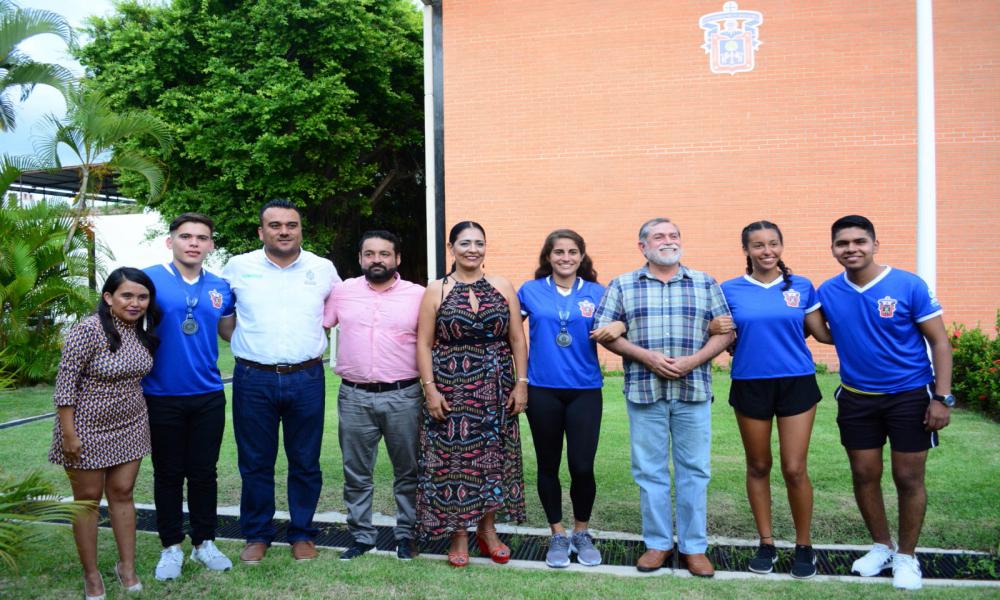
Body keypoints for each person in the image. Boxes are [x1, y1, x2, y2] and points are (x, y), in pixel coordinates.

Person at [817, 215, 952, 591]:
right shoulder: (828, 291)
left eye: (859, 241)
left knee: (908, 478)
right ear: (833, 249)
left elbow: (939, 342)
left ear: (875, 244)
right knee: (864, 474)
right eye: (842, 243)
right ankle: (881, 547)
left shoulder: (908, 284)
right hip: (858, 397)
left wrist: (941, 398)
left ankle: (907, 557)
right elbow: (824, 332)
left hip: (909, 395)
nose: (851, 249)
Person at [593, 217, 733, 577]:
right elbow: (603, 332)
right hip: (645, 391)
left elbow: (726, 331)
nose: (668, 241)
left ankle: (694, 547)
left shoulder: (705, 282)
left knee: (695, 471)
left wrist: (693, 361)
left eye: (673, 235)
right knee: (649, 471)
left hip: (693, 390)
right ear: (643, 246)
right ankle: (657, 543)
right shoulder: (622, 285)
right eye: (659, 236)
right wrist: (647, 357)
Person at [221, 198, 340, 564]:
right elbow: (224, 321)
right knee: (255, 461)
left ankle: (302, 533)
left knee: (305, 460)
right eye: (275, 225)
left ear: (300, 229)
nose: (284, 231)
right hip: (253, 378)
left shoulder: (323, 269)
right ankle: (257, 534)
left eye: (291, 225)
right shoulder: (238, 267)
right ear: (261, 232)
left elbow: (336, 313)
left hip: (306, 377)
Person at [719, 220, 831, 579]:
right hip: (751, 383)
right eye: (758, 245)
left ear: (781, 246)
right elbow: (719, 331)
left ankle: (803, 546)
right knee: (758, 466)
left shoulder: (802, 286)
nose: (767, 251)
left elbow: (821, 333)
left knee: (794, 468)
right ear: (746, 251)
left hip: (796, 382)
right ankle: (766, 543)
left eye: (773, 244)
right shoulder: (729, 290)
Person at [415, 221, 528, 567]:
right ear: (451, 248)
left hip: (496, 388)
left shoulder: (502, 285)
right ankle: (459, 533)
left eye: (479, 243)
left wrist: (521, 383)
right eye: (464, 243)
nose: (472, 249)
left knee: (493, 460)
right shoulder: (437, 289)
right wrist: (430, 390)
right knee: (455, 463)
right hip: (452, 387)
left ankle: (488, 531)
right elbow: (423, 342)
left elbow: (516, 339)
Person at [49, 267, 161, 600]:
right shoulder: (88, 329)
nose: (135, 302)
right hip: (85, 428)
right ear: (108, 297)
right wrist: (69, 435)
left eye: (142, 297)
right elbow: (65, 383)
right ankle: (92, 575)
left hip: (132, 424)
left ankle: (126, 567)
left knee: (123, 493)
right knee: (87, 502)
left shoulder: (141, 329)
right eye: (127, 295)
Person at [142, 213, 235, 580]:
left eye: (202, 237)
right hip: (160, 393)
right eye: (186, 236)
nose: (194, 243)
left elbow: (228, 332)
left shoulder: (221, 286)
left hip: (209, 393)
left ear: (211, 244)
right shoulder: (148, 278)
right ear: (171, 242)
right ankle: (170, 547)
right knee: (168, 473)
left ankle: (204, 543)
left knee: (203, 473)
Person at [323, 230, 425, 561]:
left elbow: (431, 342)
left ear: (397, 259)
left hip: (404, 395)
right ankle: (361, 537)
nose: (376, 259)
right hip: (354, 396)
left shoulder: (419, 295)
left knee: (408, 469)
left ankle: (406, 535)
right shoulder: (342, 292)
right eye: (369, 254)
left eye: (384, 254)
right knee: (356, 471)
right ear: (360, 259)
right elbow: (317, 326)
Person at [517, 229, 611, 568]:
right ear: (548, 257)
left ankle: (581, 531)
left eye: (573, 252)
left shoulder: (600, 292)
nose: (566, 258)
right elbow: (511, 332)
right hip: (543, 389)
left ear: (582, 256)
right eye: (559, 252)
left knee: (582, 466)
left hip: (585, 389)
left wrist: (619, 329)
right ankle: (557, 533)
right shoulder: (529, 291)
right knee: (548, 464)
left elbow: (620, 327)